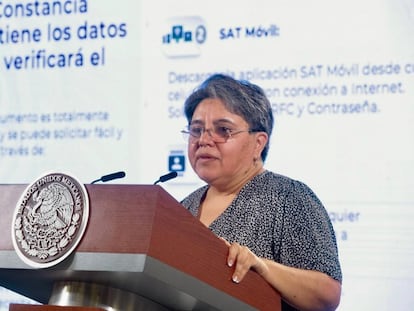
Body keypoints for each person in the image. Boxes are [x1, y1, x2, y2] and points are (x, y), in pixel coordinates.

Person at [180, 73, 342, 311]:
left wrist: (263, 267)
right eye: (196, 130)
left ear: (258, 143)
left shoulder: (288, 197)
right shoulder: (182, 208)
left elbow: (327, 295)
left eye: (222, 130)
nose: (204, 140)